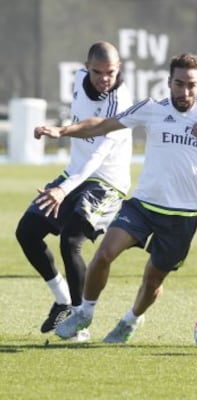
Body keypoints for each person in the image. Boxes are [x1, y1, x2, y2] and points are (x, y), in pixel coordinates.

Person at [35, 53, 197, 344]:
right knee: (103, 254)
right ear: (168, 82)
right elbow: (103, 124)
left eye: (191, 85)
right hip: (142, 206)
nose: (185, 91)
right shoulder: (152, 109)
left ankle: (130, 321)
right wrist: (62, 131)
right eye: (179, 83)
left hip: (182, 217)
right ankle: (85, 312)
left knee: (153, 279)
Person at [15, 41, 133, 340]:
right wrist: (59, 128)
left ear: (118, 69)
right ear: (86, 67)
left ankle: (81, 322)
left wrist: (62, 190)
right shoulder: (78, 81)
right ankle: (62, 301)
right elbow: (81, 124)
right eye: (97, 72)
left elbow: (97, 158)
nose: (104, 78)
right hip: (74, 176)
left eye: (111, 72)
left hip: (107, 183)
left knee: (71, 240)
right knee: (27, 231)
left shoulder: (122, 102)